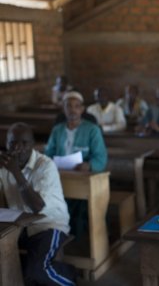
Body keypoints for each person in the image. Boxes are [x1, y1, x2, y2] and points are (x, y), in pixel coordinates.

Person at [0, 123, 75, 285]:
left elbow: (37, 207)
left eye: (24, 143)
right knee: (19, 269)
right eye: (12, 142)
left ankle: (70, 278)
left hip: (49, 225)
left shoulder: (45, 165)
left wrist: (16, 173)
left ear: (33, 145)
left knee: (36, 271)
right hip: (20, 227)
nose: (18, 148)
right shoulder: (5, 165)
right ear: (5, 144)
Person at [45, 91, 108, 238]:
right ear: (63, 109)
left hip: (83, 178)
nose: (73, 110)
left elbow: (101, 157)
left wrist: (89, 165)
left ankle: (77, 237)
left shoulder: (92, 130)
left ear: (82, 109)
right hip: (59, 177)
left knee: (79, 206)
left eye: (77, 106)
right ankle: (56, 236)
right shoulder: (57, 130)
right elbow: (48, 154)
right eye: (68, 106)